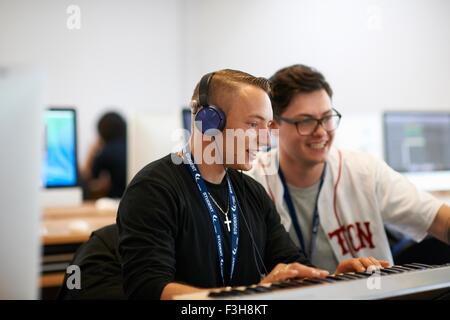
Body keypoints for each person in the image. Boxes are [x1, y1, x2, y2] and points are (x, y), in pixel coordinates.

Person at [117, 69, 385, 300]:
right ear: (209, 123)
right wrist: (252, 294)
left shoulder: (251, 192)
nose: (266, 139)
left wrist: (333, 280)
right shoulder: (153, 191)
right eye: (253, 124)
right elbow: (149, 290)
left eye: (268, 126)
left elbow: (291, 264)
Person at [248, 64, 450, 273]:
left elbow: (440, 219)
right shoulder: (250, 182)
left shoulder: (363, 171)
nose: (321, 132)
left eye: (327, 118)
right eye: (306, 121)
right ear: (274, 125)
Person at [80, 111, 127, 199]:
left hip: (115, 200)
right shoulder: (132, 146)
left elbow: (86, 179)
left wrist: (91, 152)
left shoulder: (106, 152)